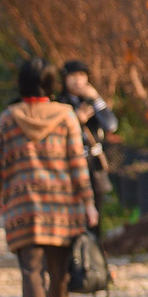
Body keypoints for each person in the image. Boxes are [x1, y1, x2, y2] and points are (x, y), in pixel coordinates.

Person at [0, 58, 96, 297]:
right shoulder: (65, 116)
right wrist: (89, 203)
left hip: (23, 208)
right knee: (59, 267)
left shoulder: (8, 119)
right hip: (62, 207)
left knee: (31, 270)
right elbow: (77, 163)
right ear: (51, 83)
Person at [59, 60, 119, 206]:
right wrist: (76, 120)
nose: (78, 79)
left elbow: (111, 125)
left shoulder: (93, 102)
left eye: (82, 75)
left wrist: (96, 98)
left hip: (93, 165)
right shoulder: (60, 103)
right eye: (73, 75)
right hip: (70, 165)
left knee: (96, 212)